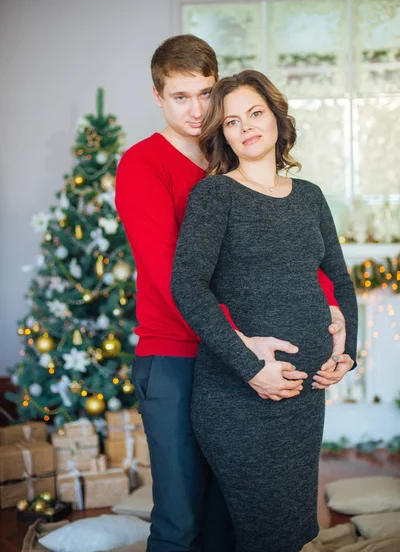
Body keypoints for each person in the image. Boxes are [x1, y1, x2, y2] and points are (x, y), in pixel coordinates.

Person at [116, 36, 347, 552]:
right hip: (176, 353)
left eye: (205, 93)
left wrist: (330, 303)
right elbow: (169, 275)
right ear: (158, 96)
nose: (197, 110)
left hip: (229, 360)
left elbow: (289, 246)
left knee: (229, 518)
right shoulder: (143, 165)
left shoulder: (229, 155)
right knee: (181, 515)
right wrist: (243, 346)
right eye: (181, 97)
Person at [171, 69, 358, 552]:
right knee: (267, 533)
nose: (246, 126)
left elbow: (339, 279)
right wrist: (252, 367)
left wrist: (347, 352)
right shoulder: (215, 196)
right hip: (240, 398)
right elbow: (187, 287)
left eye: (255, 113)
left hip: (303, 397)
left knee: (294, 528)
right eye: (231, 121)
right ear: (223, 134)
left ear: (276, 116)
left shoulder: (310, 196)